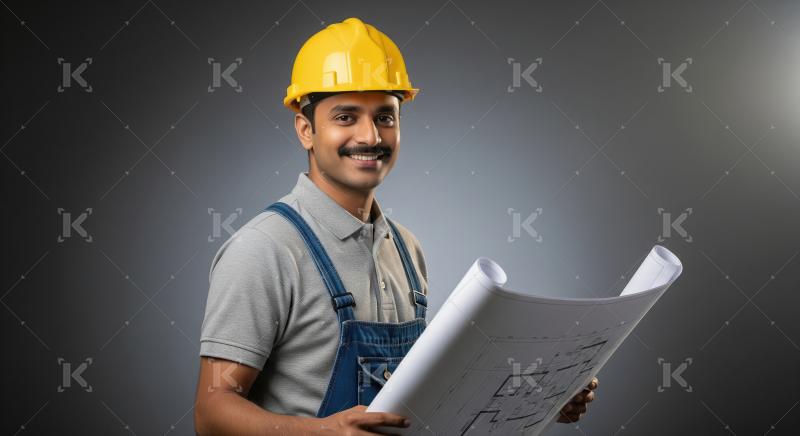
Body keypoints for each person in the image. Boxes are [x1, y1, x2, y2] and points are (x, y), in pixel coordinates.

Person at [194, 17, 597, 435]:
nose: (370, 136)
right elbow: (211, 412)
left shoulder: (405, 248)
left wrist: (540, 397)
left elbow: (423, 401)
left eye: (386, 116)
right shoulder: (264, 249)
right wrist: (320, 433)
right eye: (346, 117)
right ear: (306, 130)